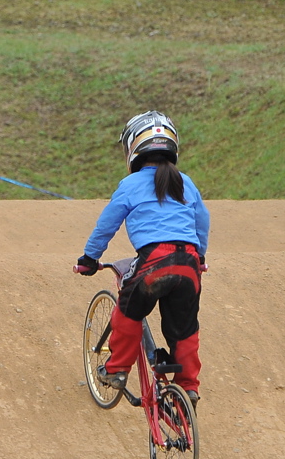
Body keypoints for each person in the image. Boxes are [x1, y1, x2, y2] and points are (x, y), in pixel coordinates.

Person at [76, 111, 210, 409]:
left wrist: (89, 259)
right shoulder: (185, 182)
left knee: (129, 311)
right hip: (188, 264)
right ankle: (187, 388)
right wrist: (199, 256)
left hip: (154, 262)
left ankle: (116, 370)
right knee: (185, 328)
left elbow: (106, 225)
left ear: (133, 148)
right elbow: (202, 220)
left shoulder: (132, 184)